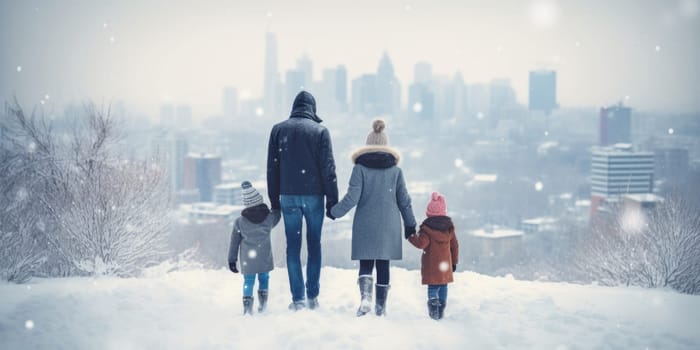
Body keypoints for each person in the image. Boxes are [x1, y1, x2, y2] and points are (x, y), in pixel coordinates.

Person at [330, 119, 416, 316]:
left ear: (366, 147)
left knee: (366, 263)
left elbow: (352, 198)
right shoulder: (396, 172)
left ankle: (365, 298)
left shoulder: (359, 169)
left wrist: (334, 212)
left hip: (365, 223)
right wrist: (410, 225)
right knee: (383, 265)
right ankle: (380, 307)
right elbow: (404, 201)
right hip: (389, 225)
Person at [267, 91, 339, 311]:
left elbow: (272, 168)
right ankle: (312, 296)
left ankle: (298, 299)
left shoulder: (278, 130)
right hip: (314, 196)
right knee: (314, 244)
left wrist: (275, 202)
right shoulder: (320, 132)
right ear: (312, 109)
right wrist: (332, 201)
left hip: (288, 195)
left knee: (293, 247)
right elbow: (328, 170)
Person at [228, 181, 281, 315]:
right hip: (264, 258)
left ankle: (247, 309)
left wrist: (232, 260)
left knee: (248, 282)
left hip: (248, 260)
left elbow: (234, 242)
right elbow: (277, 215)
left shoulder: (239, 222)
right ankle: (263, 306)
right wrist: (275, 206)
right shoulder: (269, 219)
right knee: (264, 279)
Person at [407, 191, 459, 320]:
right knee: (443, 285)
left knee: (433, 287)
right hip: (445, 265)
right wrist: (454, 262)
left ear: (429, 213)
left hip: (432, 266)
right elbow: (455, 246)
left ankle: (433, 309)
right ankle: (440, 309)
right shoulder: (449, 228)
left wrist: (411, 235)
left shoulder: (427, 229)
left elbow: (421, 244)